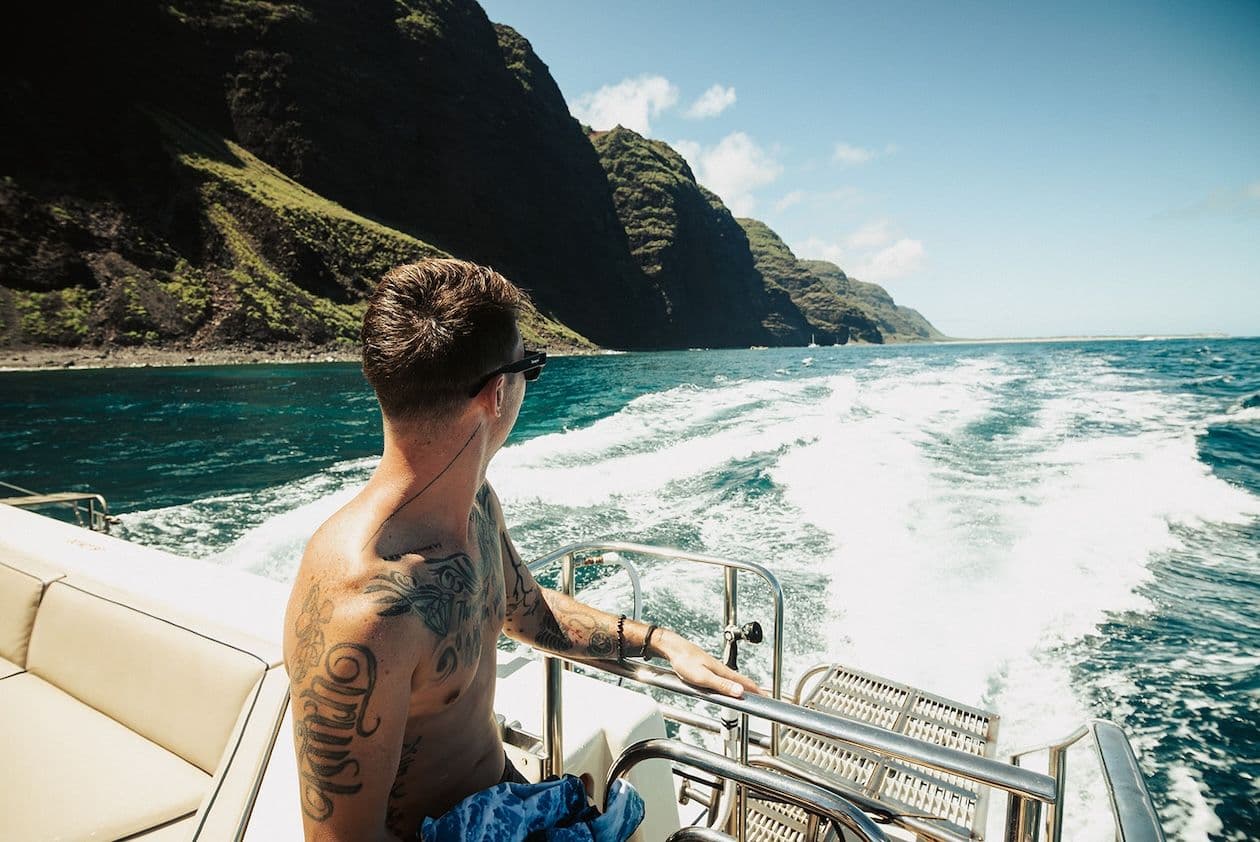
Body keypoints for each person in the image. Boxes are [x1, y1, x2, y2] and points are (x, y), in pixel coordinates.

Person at [283, 258, 760, 841]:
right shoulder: (366, 612)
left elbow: (526, 609)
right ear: (496, 392)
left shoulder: (476, 501)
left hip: (508, 799)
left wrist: (660, 643)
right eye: (529, 366)